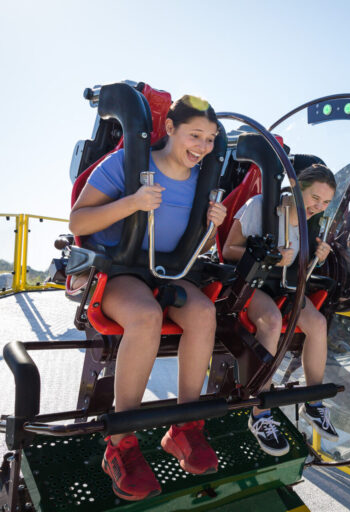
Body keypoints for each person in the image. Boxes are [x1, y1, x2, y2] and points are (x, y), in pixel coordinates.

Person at [69, 95, 226, 501]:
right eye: (195, 135)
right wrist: (133, 203)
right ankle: (120, 444)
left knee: (204, 313)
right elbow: (78, 221)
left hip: (167, 271)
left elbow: (198, 247)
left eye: (210, 139)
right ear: (170, 129)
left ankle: (186, 427)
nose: (203, 146)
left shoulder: (202, 180)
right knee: (146, 316)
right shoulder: (125, 164)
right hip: (119, 271)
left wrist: (212, 227)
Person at [222, 164, 339, 456]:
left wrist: (319, 257)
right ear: (296, 187)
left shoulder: (310, 223)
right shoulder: (260, 206)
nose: (318, 206)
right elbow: (228, 250)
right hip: (252, 283)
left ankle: (314, 403)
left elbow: (301, 268)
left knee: (318, 324)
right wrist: (270, 257)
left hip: (284, 287)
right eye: (315, 198)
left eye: (325, 202)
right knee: (271, 321)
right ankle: (259, 412)